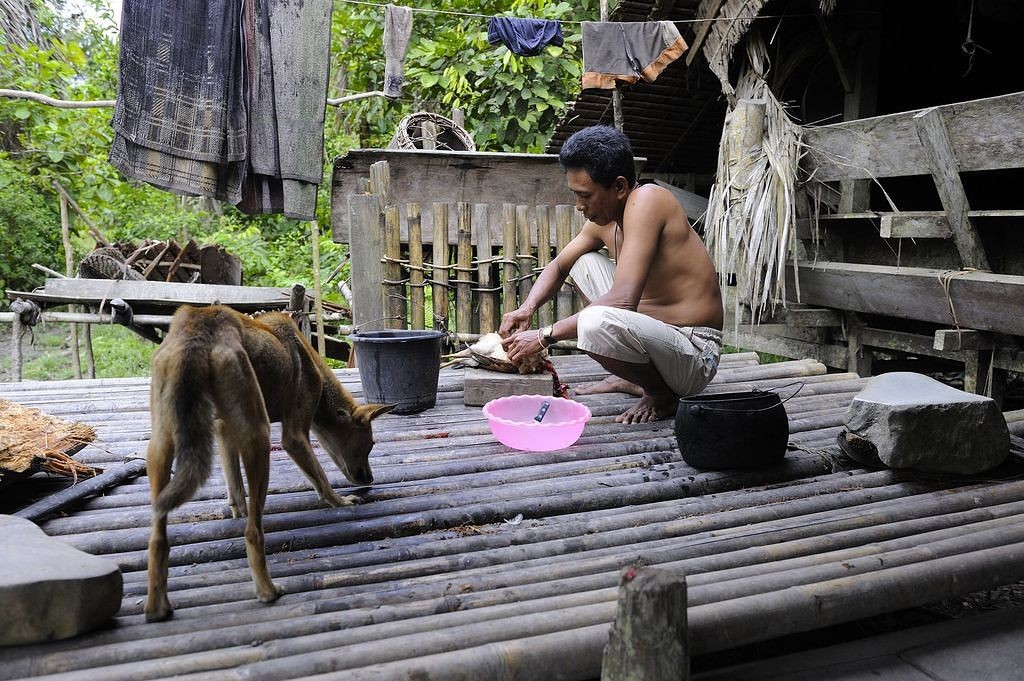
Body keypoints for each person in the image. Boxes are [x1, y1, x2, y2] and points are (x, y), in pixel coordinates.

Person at [499, 126, 724, 424]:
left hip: (694, 352)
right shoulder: (602, 221)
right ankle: (638, 380)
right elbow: (558, 266)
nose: (579, 206)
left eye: (585, 196)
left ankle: (661, 394)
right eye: (575, 195)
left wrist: (543, 336)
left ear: (618, 187)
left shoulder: (649, 200)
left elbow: (624, 300)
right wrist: (527, 309)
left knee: (595, 321)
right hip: (657, 337)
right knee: (583, 263)